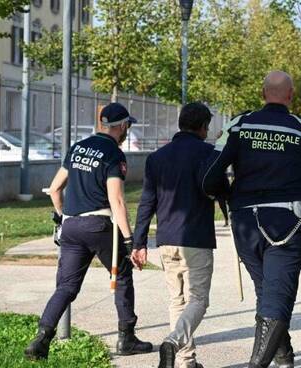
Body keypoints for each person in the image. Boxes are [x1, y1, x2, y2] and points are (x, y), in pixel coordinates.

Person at [202, 71, 301, 368]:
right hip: (286, 222)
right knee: (277, 295)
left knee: (267, 292)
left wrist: (232, 193)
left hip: (245, 223)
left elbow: (209, 176)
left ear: (263, 94)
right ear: (291, 95)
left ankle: (284, 358)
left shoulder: (239, 125)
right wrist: (297, 184)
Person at [24, 103, 153, 360]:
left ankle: (42, 337)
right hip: (99, 225)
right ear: (122, 126)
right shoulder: (114, 155)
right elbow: (116, 200)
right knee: (123, 275)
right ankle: (126, 338)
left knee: (67, 287)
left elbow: (55, 188)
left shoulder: (77, 147)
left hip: (71, 227)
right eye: (128, 125)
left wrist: (63, 218)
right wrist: (129, 241)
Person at [134, 102, 225, 368]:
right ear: (203, 127)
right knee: (198, 301)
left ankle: (185, 362)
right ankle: (173, 342)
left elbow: (146, 203)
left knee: (177, 301)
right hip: (196, 239)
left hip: (165, 240)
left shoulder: (157, 158)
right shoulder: (209, 154)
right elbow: (221, 189)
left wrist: (139, 243)